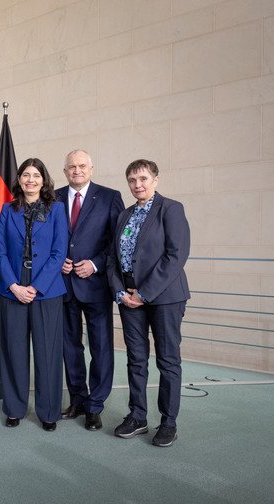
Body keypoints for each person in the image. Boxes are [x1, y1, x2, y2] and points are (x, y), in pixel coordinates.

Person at [107, 159, 190, 447]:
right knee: (136, 358)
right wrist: (121, 292)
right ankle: (137, 416)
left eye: (142, 178)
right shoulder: (124, 215)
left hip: (164, 297)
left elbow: (175, 256)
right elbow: (113, 259)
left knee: (167, 360)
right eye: (131, 180)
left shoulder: (171, 209)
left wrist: (144, 293)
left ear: (155, 179)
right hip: (128, 299)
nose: (137, 185)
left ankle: (168, 422)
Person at [0, 158, 67, 430]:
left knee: (48, 352)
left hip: (45, 289)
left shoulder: (57, 209)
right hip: (12, 287)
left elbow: (59, 253)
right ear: (19, 180)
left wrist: (36, 287)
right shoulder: (7, 210)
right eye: (26, 175)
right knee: (14, 351)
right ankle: (14, 408)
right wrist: (14, 286)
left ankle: (48, 412)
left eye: (36, 175)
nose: (30, 180)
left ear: (44, 180)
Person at [55, 150, 124, 431]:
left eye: (82, 166)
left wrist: (95, 265)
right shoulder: (54, 197)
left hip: (95, 285)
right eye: (71, 167)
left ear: (91, 168)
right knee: (70, 347)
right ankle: (78, 399)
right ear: (65, 171)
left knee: (100, 347)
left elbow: (117, 241)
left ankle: (95, 405)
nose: (77, 170)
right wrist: (58, 261)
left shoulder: (110, 197)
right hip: (64, 285)